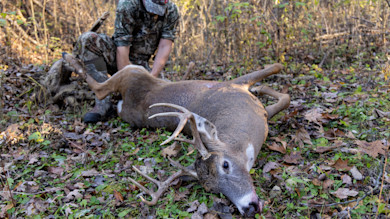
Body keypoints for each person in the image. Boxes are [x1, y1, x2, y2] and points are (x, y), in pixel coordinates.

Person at [50, 0, 180, 123]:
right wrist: (126, 82)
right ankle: (103, 103)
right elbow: (122, 47)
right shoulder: (128, 5)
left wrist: (151, 78)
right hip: (118, 56)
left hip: (143, 64)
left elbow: (165, 46)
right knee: (88, 39)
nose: (155, 13)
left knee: (166, 99)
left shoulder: (171, 11)